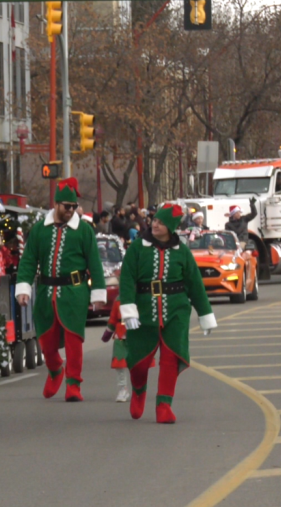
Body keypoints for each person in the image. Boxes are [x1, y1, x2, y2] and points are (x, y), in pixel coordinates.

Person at [118, 203, 216, 424]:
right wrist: (128, 308)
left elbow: (195, 284)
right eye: (155, 221)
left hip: (177, 310)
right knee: (139, 360)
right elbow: (127, 279)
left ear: (171, 227)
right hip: (142, 310)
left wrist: (205, 314)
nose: (155, 225)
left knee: (171, 356)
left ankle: (164, 405)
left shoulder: (182, 252)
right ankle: (139, 389)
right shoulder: (137, 248)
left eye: (161, 223)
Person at [15, 178, 107, 402]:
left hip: (74, 291)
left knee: (75, 340)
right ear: (56, 204)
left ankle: (73, 384)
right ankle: (55, 369)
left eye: (74, 207)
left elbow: (94, 263)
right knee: (46, 340)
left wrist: (98, 293)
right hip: (47, 292)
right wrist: (23, 287)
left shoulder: (84, 230)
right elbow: (28, 261)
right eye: (67, 206)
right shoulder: (39, 230)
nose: (71, 211)